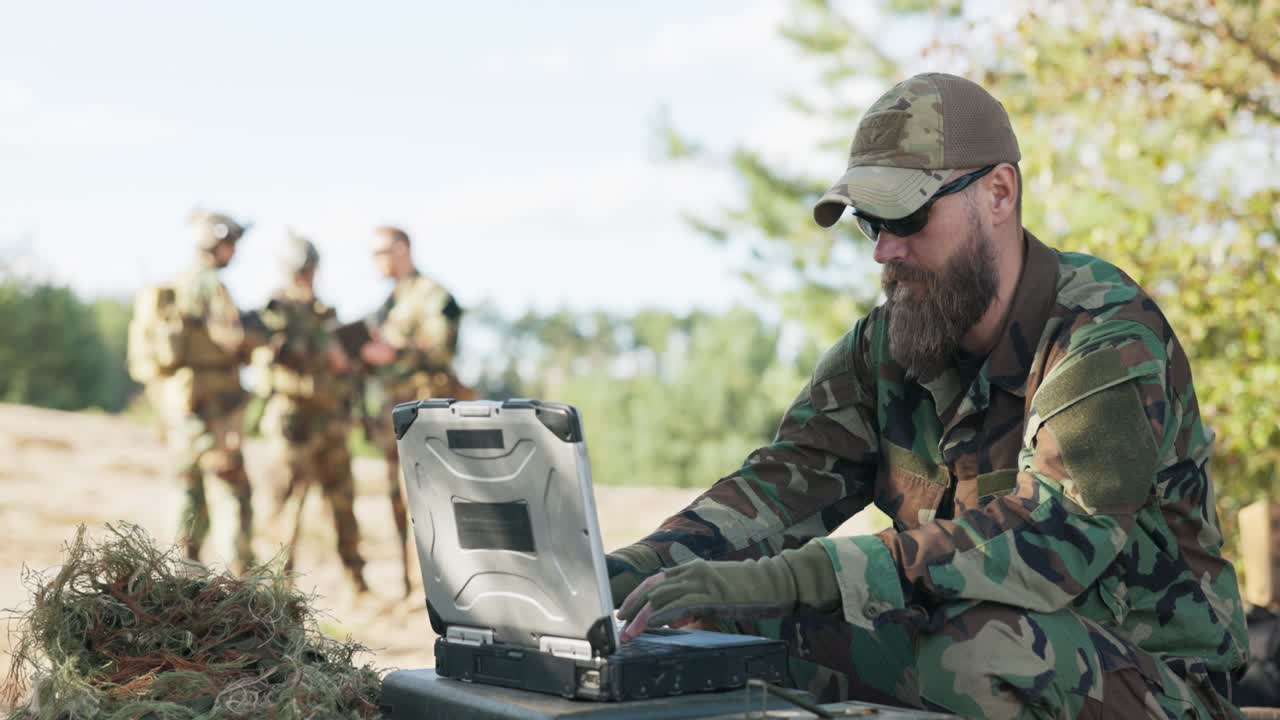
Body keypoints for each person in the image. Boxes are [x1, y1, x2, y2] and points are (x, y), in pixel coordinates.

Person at [609, 73, 1247, 718]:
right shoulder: (886, 345)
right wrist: (618, 576)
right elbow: (777, 491)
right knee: (710, 642)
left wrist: (798, 578)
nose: (886, 249)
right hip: (964, 641)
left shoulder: (1102, 334)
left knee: (981, 652)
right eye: (870, 222)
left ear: (998, 193)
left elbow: (1050, 540)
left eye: (907, 215)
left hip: (1154, 683)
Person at [255, 232, 369, 594]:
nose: (308, 275)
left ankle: (357, 582)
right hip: (295, 422)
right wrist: (324, 355)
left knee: (343, 505)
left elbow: (345, 362)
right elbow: (273, 351)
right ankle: (277, 590)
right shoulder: (276, 308)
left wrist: (349, 361)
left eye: (311, 268)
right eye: (304, 268)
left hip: (332, 420)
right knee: (286, 511)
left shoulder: (324, 312)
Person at [360, 225, 469, 597]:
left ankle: (440, 588)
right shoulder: (389, 301)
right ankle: (409, 587)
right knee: (396, 499)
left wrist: (396, 352)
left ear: (403, 249)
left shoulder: (433, 295)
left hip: (426, 416)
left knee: (430, 502)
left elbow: (443, 350)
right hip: (395, 416)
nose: (376, 261)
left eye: (381, 251)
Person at [162, 210, 262, 573]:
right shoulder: (210, 285)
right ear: (217, 243)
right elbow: (231, 338)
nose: (234, 251)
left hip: (182, 403)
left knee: (187, 490)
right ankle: (242, 581)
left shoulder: (178, 282)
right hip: (214, 407)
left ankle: (182, 573)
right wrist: (257, 334)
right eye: (231, 243)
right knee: (232, 492)